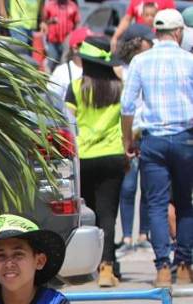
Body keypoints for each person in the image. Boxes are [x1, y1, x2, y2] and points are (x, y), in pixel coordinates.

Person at [121, 9, 193, 287]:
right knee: (186, 203)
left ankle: (163, 266)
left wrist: (128, 139)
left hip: (153, 140)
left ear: (157, 32)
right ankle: (185, 264)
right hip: (186, 137)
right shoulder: (189, 60)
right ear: (178, 32)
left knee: (157, 204)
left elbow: (127, 106)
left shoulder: (141, 61)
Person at [65, 37, 127, 287]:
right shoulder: (119, 87)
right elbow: (127, 119)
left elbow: (68, 121)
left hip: (85, 156)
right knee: (108, 214)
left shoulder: (76, 87)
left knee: (89, 211)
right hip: (113, 154)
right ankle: (107, 267)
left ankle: (89, 265)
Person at [115, 24, 155, 257]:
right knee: (128, 187)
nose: (152, 43)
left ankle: (144, 234)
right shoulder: (121, 71)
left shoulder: (150, 67)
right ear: (136, 43)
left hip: (145, 134)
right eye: (147, 40)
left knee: (149, 189)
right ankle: (127, 235)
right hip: (128, 135)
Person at [111, 0, 175, 51]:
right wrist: (115, 37)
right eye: (147, 15)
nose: (150, 18)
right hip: (138, 44)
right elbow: (127, 19)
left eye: (152, 15)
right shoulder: (135, 1)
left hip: (158, 44)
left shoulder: (167, 1)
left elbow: (173, 21)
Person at [48, 27, 89, 99]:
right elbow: (51, 101)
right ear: (75, 48)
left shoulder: (96, 71)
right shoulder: (62, 72)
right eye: (89, 45)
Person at [41, 0, 80, 65]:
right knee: (51, 62)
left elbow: (77, 23)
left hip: (67, 41)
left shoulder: (72, 6)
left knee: (64, 64)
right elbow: (43, 22)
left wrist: (75, 40)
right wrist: (50, 21)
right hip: (53, 41)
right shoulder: (50, 5)